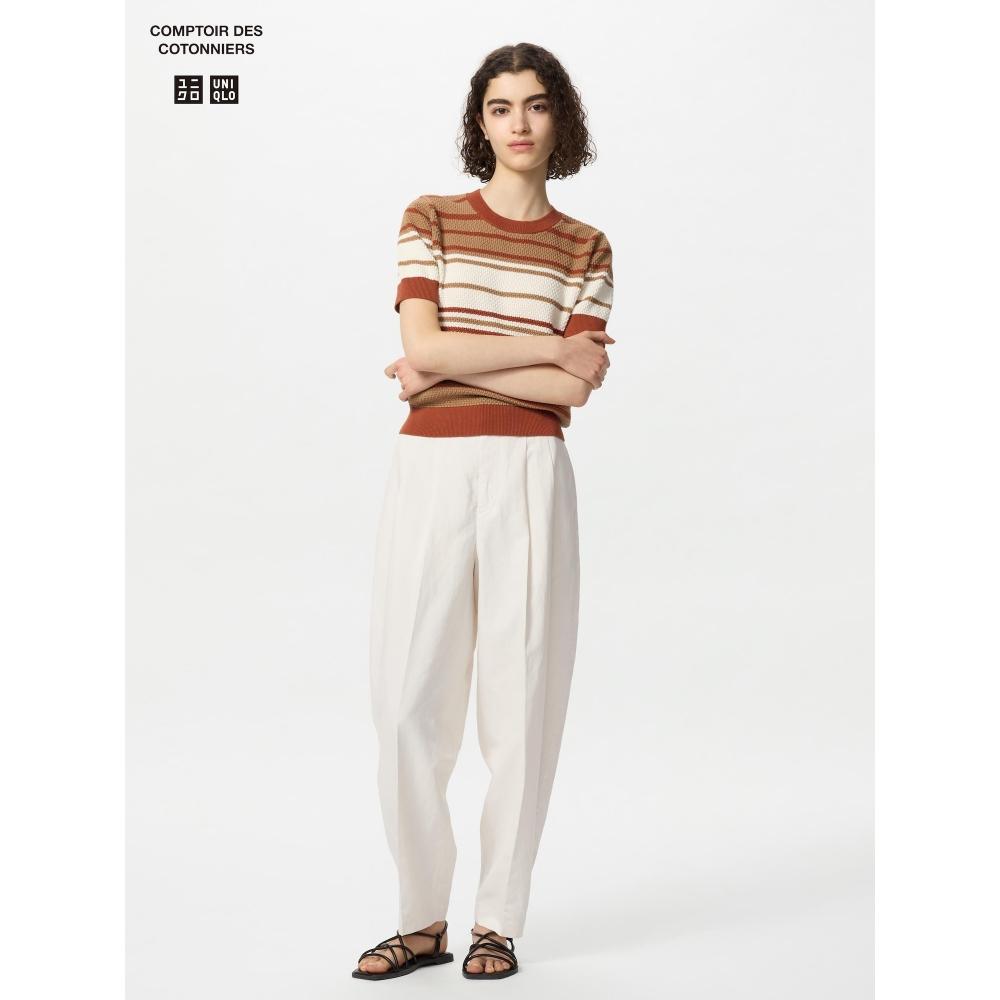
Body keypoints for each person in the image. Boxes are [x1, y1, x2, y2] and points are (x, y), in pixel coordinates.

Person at [352, 41, 615, 981]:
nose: (518, 123)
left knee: (523, 703)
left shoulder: (585, 246)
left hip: (530, 470)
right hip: (431, 468)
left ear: (560, 119)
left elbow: (571, 389)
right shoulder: (429, 218)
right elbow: (426, 341)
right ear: (479, 122)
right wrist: (535, 350)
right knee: (406, 701)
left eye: (536, 105)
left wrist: (442, 365)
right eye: (500, 107)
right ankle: (421, 921)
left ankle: (497, 920)